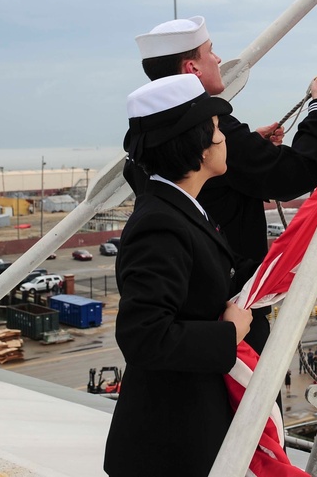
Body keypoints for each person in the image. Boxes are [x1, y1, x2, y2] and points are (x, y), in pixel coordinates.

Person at [127, 16, 317, 356]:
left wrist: (247, 147)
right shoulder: (159, 225)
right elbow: (296, 174)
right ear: (192, 67)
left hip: (220, 320)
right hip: (229, 320)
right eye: (211, 52)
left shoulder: (149, 140)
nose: (219, 59)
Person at [103, 74, 253, 477]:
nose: (225, 140)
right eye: (218, 131)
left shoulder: (181, 208)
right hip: (168, 445)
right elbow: (143, 336)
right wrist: (229, 334)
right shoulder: (161, 223)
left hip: (183, 432)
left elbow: (231, 278)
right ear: (199, 147)